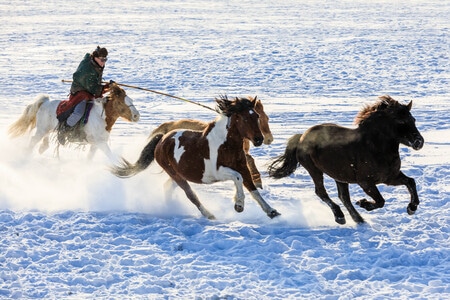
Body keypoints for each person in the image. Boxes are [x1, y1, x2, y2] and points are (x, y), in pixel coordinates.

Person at [65, 46, 111, 127]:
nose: (104, 62)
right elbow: (93, 88)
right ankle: (64, 129)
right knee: (78, 113)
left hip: (89, 91)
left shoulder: (96, 64)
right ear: (96, 58)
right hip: (80, 93)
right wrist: (107, 87)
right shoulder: (87, 69)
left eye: (105, 60)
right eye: (102, 60)